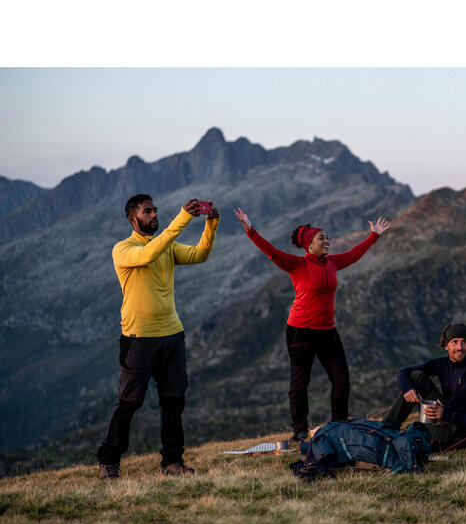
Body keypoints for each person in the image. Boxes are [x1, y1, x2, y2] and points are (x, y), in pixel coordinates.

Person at [233, 207, 390, 441]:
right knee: (299, 383)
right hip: (300, 331)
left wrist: (374, 235)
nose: (327, 241)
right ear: (309, 245)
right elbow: (272, 252)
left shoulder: (333, 262)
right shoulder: (296, 264)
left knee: (341, 379)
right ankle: (299, 430)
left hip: (327, 331)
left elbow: (355, 253)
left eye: (326, 237)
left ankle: (339, 424)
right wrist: (251, 230)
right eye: (321, 238)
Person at [96, 194, 220, 479]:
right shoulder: (123, 249)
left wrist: (211, 224)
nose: (154, 215)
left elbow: (200, 254)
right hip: (138, 337)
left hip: (172, 334)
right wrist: (183, 218)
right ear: (133, 219)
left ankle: (173, 462)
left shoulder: (165, 246)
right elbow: (148, 254)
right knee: (129, 401)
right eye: (147, 211)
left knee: (173, 400)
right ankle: (109, 461)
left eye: (155, 210)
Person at [383, 323, 466, 451]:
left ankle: (396, 440)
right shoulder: (442, 364)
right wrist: (408, 388)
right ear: (446, 345)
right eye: (455, 342)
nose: (460, 347)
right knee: (416, 376)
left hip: (459, 432)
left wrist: (446, 414)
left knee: (413, 431)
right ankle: (386, 428)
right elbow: (404, 371)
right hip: (443, 413)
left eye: (464, 342)